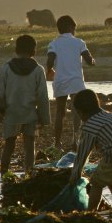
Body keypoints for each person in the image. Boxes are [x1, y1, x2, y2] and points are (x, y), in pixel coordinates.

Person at [0, 34, 50, 177]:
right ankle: (28, 174)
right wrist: (44, 119)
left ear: (17, 49)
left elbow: (1, 93)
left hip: (10, 112)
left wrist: (1, 111)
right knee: (29, 145)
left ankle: (3, 174)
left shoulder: (6, 68)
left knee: (9, 144)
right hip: (30, 113)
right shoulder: (38, 70)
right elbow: (43, 96)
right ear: (33, 50)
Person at [46, 15, 96, 150]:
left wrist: (49, 70)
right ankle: (75, 140)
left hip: (60, 81)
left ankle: (57, 143)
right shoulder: (79, 42)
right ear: (71, 28)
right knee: (77, 111)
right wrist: (92, 61)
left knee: (60, 112)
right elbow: (88, 60)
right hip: (76, 81)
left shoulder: (54, 43)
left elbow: (50, 60)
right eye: (74, 29)